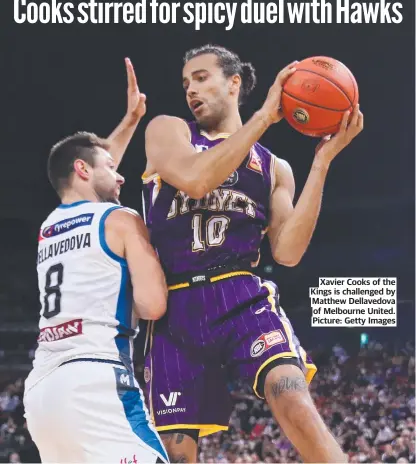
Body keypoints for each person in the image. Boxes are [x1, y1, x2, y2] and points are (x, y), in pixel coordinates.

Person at [110, 45, 364, 463]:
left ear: (234, 83)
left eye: (202, 77)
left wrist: (322, 163)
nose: (191, 88)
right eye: (186, 82)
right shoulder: (168, 131)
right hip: (174, 307)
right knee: (177, 454)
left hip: (240, 295)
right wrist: (265, 116)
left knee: (293, 398)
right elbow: (195, 179)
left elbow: (287, 253)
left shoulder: (274, 167)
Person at [23, 59, 169, 463]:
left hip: (42, 393)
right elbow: (153, 304)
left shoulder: (48, 227)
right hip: (96, 378)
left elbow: (92, 172)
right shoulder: (121, 220)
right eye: (112, 168)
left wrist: (131, 119)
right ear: (83, 169)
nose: (121, 175)